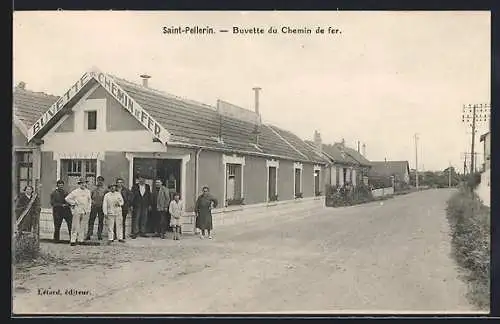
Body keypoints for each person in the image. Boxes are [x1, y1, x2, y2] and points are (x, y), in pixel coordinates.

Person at [65, 178, 92, 246]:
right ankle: (73, 240)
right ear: (79, 184)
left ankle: (80, 240)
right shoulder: (75, 191)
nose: (83, 184)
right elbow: (67, 198)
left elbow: (89, 201)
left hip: (85, 210)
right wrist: (74, 203)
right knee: (75, 225)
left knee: (83, 226)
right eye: (81, 183)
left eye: (84, 183)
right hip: (77, 209)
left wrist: (88, 209)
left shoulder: (88, 191)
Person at [86, 176, 108, 241]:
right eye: (98, 180)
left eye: (101, 180)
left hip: (101, 206)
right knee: (91, 220)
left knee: (101, 221)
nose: (99, 182)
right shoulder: (93, 188)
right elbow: (89, 197)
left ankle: (99, 234)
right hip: (94, 206)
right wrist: (92, 202)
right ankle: (89, 234)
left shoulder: (105, 189)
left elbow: (106, 198)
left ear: (103, 181)